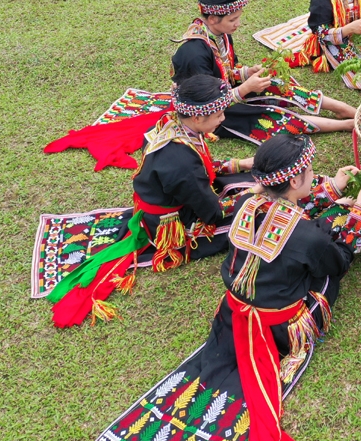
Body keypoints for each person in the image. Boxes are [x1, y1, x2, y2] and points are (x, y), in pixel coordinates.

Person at [88, 135, 361, 441]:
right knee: (332, 250)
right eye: (311, 171)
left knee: (326, 223)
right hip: (281, 328)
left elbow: (296, 216)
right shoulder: (304, 235)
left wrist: (333, 191)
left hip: (234, 313)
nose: (315, 175)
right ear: (296, 179)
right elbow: (338, 261)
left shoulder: (247, 201)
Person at [47, 75, 257, 328]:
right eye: (219, 113)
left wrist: (239, 164)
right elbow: (212, 214)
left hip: (165, 198)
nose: (223, 118)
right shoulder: (181, 161)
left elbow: (200, 168)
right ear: (198, 117)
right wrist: (253, 194)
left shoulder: (171, 123)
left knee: (240, 178)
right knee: (253, 215)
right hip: (168, 225)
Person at [172, 0, 357, 139]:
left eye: (238, 17)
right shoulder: (194, 54)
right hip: (209, 112)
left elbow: (224, 72)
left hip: (223, 91)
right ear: (212, 19)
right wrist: (245, 88)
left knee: (275, 83)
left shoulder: (220, 33)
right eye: (233, 19)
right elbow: (206, 103)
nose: (238, 23)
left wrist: (246, 73)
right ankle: (343, 125)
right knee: (266, 117)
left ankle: (340, 108)